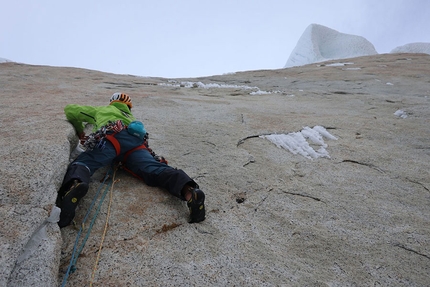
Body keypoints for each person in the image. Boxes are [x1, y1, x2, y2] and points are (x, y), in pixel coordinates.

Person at [56, 92, 205, 228]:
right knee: (156, 169)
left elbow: (70, 110)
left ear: (112, 102)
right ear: (128, 107)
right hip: (137, 145)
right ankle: (189, 191)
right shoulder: (131, 118)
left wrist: (80, 130)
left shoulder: (102, 110)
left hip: (112, 138)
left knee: (86, 162)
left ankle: (74, 185)